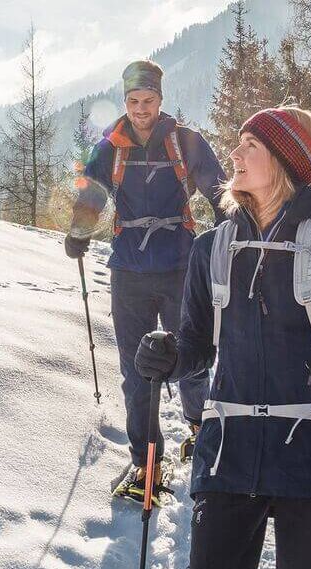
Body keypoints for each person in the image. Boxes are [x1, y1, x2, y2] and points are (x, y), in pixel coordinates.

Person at [133, 106, 311, 569]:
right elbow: (197, 346)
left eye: (250, 145)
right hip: (229, 452)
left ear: (283, 161)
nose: (234, 153)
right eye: (238, 142)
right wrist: (170, 356)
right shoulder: (211, 249)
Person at [64, 59, 227, 504]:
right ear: (125, 100)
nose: (140, 109)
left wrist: (236, 226)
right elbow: (92, 193)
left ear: (160, 98)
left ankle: (200, 429)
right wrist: (79, 232)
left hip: (181, 268)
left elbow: (218, 190)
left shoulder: (186, 142)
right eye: (134, 101)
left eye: (148, 100)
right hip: (129, 271)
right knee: (136, 372)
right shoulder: (110, 145)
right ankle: (146, 463)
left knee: (192, 361)